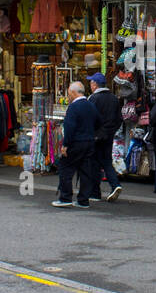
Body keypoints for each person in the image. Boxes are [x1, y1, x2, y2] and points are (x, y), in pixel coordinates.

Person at [52, 81, 99, 208]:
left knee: (65, 169)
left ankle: (65, 197)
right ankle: (83, 200)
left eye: (69, 94)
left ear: (73, 92)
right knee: (85, 171)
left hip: (76, 142)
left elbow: (69, 127)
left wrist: (65, 145)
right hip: (89, 142)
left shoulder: (73, 107)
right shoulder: (91, 105)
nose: (69, 96)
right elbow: (98, 122)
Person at [86, 73, 123, 202]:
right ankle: (115, 185)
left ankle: (95, 192)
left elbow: (89, 118)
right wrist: (111, 131)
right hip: (108, 135)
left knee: (94, 163)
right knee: (106, 161)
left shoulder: (93, 98)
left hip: (96, 136)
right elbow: (119, 119)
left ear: (95, 84)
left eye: (91, 83)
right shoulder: (114, 98)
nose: (90, 85)